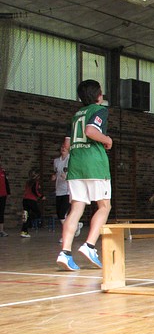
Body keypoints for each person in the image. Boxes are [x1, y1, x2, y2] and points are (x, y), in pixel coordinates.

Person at [56, 79, 113, 271]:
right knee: (104, 206)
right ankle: (89, 246)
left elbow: (67, 144)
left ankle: (65, 253)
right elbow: (90, 131)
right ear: (98, 95)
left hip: (76, 165)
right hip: (94, 165)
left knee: (76, 209)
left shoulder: (75, 116)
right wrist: (107, 140)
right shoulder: (99, 110)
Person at [52, 141, 83, 242]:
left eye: (65, 147)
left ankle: (67, 235)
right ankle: (76, 225)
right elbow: (55, 172)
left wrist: (67, 177)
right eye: (62, 147)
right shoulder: (56, 161)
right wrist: (54, 176)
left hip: (68, 190)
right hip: (59, 190)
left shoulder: (71, 159)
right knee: (60, 214)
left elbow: (77, 173)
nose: (63, 148)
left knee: (62, 214)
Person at [20, 169, 45, 238]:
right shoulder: (35, 182)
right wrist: (41, 196)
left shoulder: (28, 182)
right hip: (31, 200)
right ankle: (27, 225)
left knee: (26, 215)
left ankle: (24, 231)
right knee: (38, 214)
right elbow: (34, 191)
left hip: (25, 200)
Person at [0, 156, 10, 237]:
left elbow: (6, 183)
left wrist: (8, 192)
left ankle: (1, 231)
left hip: (3, 195)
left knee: (1, 212)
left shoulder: (3, 171)